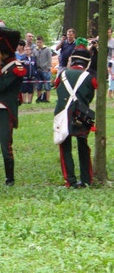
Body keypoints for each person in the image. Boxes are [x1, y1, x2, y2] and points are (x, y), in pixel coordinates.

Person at [0, 25, 27, 189]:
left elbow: (0, 86)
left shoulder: (17, 67)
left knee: (5, 147)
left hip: (5, 111)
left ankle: (10, 180)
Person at [54, 40, 97, 188]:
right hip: (82, 114)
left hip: (63, 113)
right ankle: (86, 180)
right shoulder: (90, 77)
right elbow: (95, 89)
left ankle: (70, 181)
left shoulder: (63, 73)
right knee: (83, 146)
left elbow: (56, 86)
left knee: (64, 146)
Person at [34, 36, 53, 103]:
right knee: (39, 86)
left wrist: (48, 67)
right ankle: (39, 98)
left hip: (45, 70)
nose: (38, 44)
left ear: (42, 42)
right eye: (37, 42)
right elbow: (34, 59)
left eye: (40, 42)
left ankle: (47, 99)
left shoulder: (47, 49)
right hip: (38, 70)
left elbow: (49, 59)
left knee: (47, 85)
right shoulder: (35, 50)